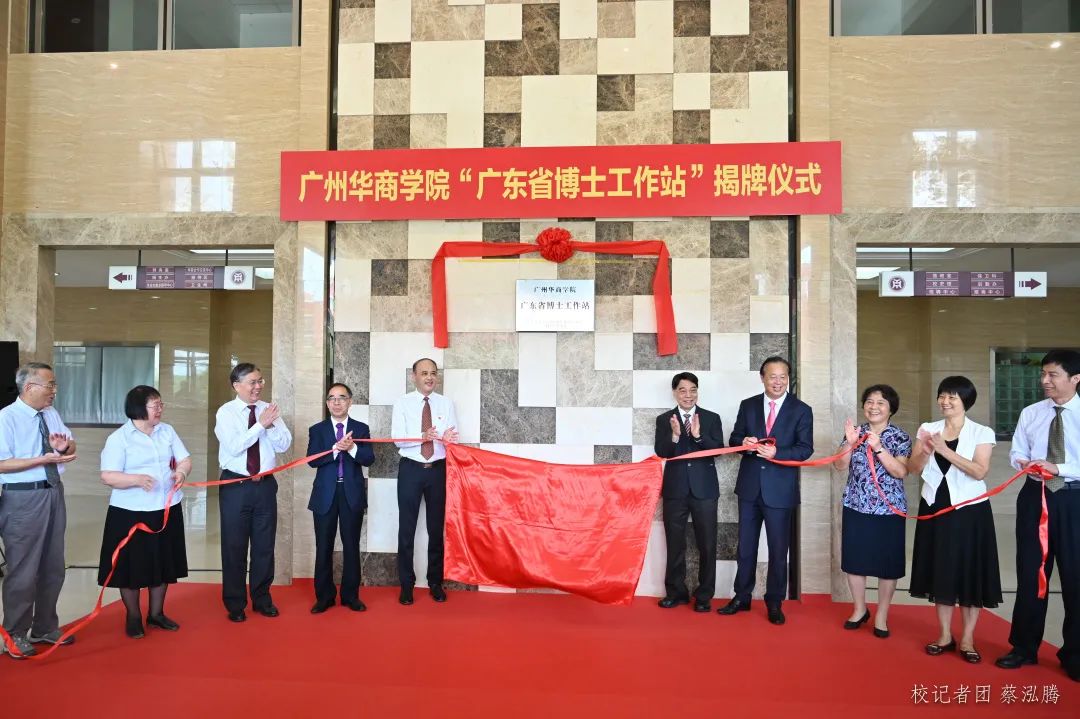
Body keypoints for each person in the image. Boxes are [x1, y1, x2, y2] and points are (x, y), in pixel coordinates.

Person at [996, 349, 1080, 682]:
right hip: (1035, 496)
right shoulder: (1031, 412)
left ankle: (1075, 654)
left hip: (1074, 499)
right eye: (1043, 374)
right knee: (1031, 573)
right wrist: (1023, 462)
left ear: (1075, 378)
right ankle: (1023, 647)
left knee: (1075, 577)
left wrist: (1058, 467)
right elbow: (1017, 450)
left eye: (1053, 375)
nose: (1045, 380)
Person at [908, 376, 1001, 664]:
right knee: (942, 569)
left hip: (970, 510)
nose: (945, 401)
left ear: (965, 401)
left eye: (952, 397)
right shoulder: (928, 428)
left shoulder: (982, 432)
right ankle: (945, 635)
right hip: (935, 505)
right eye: (942, 396)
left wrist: (945, 451)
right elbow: (913, 468)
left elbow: (980, 471)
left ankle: (968, 638)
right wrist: (925, 452)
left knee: (970, 571)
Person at [719, 356, 813, 626]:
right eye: (773, 376)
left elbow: (805, 449)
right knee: (745, 547)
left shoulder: (801, 410)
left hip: (780, 491)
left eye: (783, 377)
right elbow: (734, 439)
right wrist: (744, 442)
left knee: (778, 550)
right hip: (749, 489)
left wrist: (777, 453)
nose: (778, 382)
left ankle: (774, 601)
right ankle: (742, 597)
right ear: (762, 378)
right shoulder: (748, 405)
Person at [98, 386, 191, 639]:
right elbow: (108, 476)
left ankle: (156, 614)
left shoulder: (167, 431)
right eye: (155, 405)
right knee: (131, 567)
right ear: (139, 408)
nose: (160, 409)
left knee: (163, 563)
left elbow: (184, 459)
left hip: (166, 508)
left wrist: (181, 472)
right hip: (130, 512)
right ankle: (133, 616)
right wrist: (136, 479)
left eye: (161, 404)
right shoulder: (119, 438)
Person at [0, 363, 77, 659]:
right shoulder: (6, 418)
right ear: (30, 387)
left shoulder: (50, 413)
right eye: (50, 385)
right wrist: (41, 459)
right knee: (23, 569)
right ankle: (15, 633)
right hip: (23, 498)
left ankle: (45, 626)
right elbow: (2, 463)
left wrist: (64, 448)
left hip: (53, 492)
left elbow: (69, 446)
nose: (54, 391)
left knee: (53, 565)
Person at [213, 362, 292, 623]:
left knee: (264, 545)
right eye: (252, 382)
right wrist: (259, 425)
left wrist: (269, 426)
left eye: (260, 381)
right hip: (235, 486)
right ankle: (235, 603)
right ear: (237, 386)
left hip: (265, 486)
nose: (258, 387)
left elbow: (284, 444)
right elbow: (235, 446)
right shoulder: (226, 413)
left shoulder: (268, 410)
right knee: (234, 546)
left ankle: (262, 599)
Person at [831, 384, 911, 639]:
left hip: (889, 510)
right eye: (869, 402)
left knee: (888, 564)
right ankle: (859, 609)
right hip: (856, 505)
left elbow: (900, 471)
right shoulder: (855, 433)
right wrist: (849, 443)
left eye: (880, 403)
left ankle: (882, 615)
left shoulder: (900, 437)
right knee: (855, 561)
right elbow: (839, 466)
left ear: (891, 409)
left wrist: (878, 448)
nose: (874, 407)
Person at [654, 372, 725, 612]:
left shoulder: (711, 418)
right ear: (675, 392)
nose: (688, 395)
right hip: (675, 489)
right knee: (675, 543)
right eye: (683, 390)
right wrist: (675, 436)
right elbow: (662, 451)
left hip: (704, 489)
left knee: (707, 543)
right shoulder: (664, 419)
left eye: (693, 390)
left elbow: (718, 450)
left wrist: (698, 436)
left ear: (697, 391)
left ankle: (704, 596)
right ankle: (676, 593)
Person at [392, 358, 458, 605]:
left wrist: (449, 438)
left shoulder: (446, 403)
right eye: (424, 373)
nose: (429, 377)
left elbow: (452, 436)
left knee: (436, 529)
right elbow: (397, 439)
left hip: (438, 470)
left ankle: (435, 582)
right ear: (414, 376)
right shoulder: (402, 403)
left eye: (433, 373)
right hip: (411, 469)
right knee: (406, 529)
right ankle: (406, 584)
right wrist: (423, 436)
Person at [306, 382, 375, 614]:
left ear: (350, 402)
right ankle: (324, 597)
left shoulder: (361, 428)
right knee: (323, 546)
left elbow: (369, 459)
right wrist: (336, 448)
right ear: (327, 403)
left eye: (341, 398)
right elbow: (312, 460)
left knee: (351, 545)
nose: (336, 402)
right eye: (332, 398)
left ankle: (350, 596)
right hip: (325, 494)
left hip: (351, 493)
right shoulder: (317, 430)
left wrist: (352, 448)